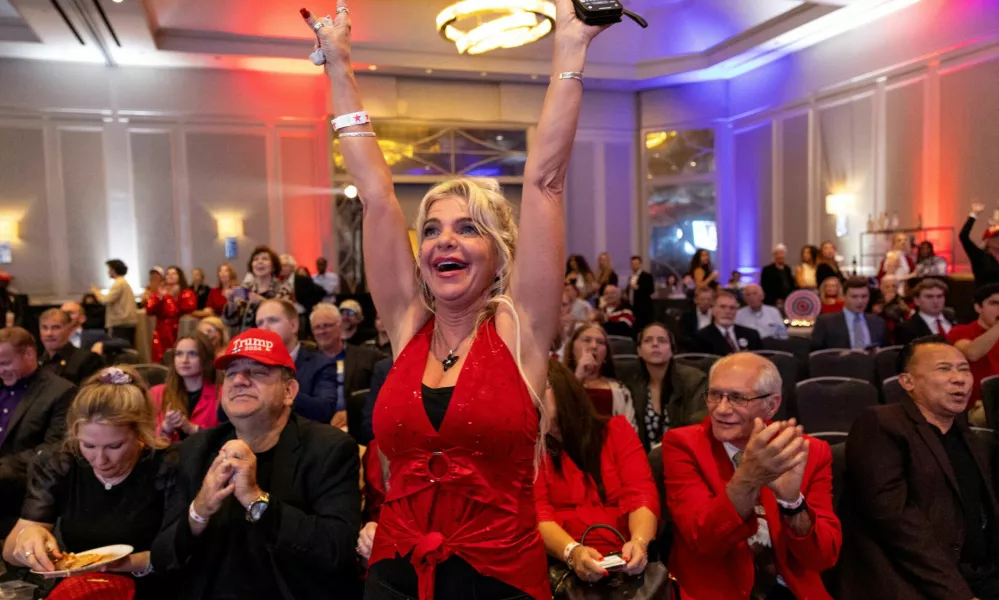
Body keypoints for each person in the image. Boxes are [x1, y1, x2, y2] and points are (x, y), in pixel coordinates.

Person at [303, 0, 603, 596]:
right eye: (434, 228)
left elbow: (544, 181)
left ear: (499, 255)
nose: (445, 239)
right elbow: (375, 194)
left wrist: (571, 45)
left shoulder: (523, 330)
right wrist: (339, 67)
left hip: (500, 581)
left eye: (468, 228)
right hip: (395, 573)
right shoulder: (406, 323)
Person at [152, 328, 361, 598]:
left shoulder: (329, 448)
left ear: (289, 390)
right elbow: (162, 556)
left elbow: (337, 549)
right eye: (231, 373)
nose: (239, 380)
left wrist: (256, 500)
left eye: (258, 372)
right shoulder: (195, 449)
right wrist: (199, 511)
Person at [662, 353, 841, 599]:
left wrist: (792, 504)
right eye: (715, 395)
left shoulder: (808, 452)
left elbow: (823, 557)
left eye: (737, 398)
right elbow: (703, 540)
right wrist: (748, 477)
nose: (721, 409)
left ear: (772, 404)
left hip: (789, 588)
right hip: (715, 589)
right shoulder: (684, 445)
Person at [838, 339, 999, 599]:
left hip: (975, 575)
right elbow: (896, 522)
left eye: (964, 369)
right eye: (944, 369)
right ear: (907, 382)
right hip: (907, 579)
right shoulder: (882, 424)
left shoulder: (970, 437)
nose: (959, 379)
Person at [2, 366, 178, 599]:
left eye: (114, 446)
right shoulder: (63, 462)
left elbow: (182, 553)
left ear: (141, 433)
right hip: (86, 589)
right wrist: (28, 538)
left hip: (155, 588)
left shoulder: (167, 466)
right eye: (88, 445)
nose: (100, 459)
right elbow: (10, 551)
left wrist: (112, 565)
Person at [535, 360, 658, 583]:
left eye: (539, 388)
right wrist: (572, 552)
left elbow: (641, 494)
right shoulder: (530, 447)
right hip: (560, 564)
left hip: (624, 556)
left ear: (563, 389)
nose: (531, 399)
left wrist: (640, 542)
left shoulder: (616, 431)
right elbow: (538, 512)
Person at [0, 327, 77, 535]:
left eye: (5, 363)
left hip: (24, 489)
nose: (0, 370)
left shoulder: (61, 391)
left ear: (29, 354)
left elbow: (52, 450)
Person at [255, 299, 339, 425]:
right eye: (259, 323)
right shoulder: (251, 364)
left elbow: (324, 410)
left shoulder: (321, 364)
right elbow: (223, 414)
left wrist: (280, 391)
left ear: (294, 326)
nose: (264, 328)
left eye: (273, 320)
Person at [625, 323, 707, 450]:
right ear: (639, 351)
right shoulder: (632, 384)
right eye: (648, 340)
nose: (655, 344)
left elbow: (697, 426)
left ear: (672, 350)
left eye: (662, 340)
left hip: (683, 456)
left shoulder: (694, 380)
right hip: (643, 460)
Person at [309, 302, 384, 433]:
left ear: (340, 326)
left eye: (327, 325)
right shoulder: (307, 364)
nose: (321, 331)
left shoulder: (369, 357)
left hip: (361, 428)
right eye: (317, 327)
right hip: (320, 429)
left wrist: (350, 413)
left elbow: (380, 394)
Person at [565, 323, 637, 429]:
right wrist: (578, 378)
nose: (594, 346)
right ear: (572, 347)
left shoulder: (620, 390)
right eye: (587, 340)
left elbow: (630, 429)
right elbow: (556, 418)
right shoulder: (557, 383)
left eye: (600, 342)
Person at [149, 334, 220, 442]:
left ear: (205, 358)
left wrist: (192, 429)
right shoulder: (156, 393)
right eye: (179, 354)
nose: (184, 360)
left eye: (192, 354)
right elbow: (144, 438)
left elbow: (224, 438)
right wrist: (165, 428)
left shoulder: (220, 394)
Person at [947, 284, 999, 422]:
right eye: (994, 303)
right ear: (978, 307)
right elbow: (972, 353)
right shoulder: (961, 331)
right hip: (976, 406)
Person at [223, 245, 291, 333]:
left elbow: (285, 315)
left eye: (265, 259)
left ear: (273, 266)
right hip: (248, 339)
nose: (260, 262)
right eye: (256, 259)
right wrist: (231, 301)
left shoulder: (283, 288)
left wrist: (262, 302)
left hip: (273, 337)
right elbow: (232, 321)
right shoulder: (246, 288)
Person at [811, 276, 885, 350]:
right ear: (844, 297)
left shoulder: (878, 323)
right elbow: (816, 355)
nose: (860, 301)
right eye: (854, 297)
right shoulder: (825, 323)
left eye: (864, 296)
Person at [146, 266, 198, 364]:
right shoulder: (160, 291)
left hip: (180, 330)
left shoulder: (186, 292)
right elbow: (149, 310)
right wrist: (160, 297)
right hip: (162, 332)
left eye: (173, 273)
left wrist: (174, 297)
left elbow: (189, 308)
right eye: (168, 273)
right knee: (161, 360)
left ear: (179, 276)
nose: (170, 276)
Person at [37, 308, 102, 385]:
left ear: (69, 330)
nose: (49, 333)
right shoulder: (37, 361)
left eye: (55, 327)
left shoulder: (87, 359)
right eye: (44, 328)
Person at [695, 290, 763, 355]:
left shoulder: (752, 335)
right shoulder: (700, 338)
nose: (728, 312)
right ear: (713, 310)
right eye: (722, 307)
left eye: (732, 308)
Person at [92, 259, 139, 345]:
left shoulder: (119, 283)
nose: (108, 272)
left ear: (113, 270)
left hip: (121, 323)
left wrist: (96, 292)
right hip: (126, 322)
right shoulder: (123, 282)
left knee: (119, 347)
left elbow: (106, 299)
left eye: (109, 269)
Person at [894, 278, 952, 346]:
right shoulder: (906, 328)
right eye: (929, 297)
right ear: (917, 301)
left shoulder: (954, 321)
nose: (936, 301)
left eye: (939, 296)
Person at [960, 202, 999, 286]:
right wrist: (973, 214)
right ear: (987, 240)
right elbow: (963, 236)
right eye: (995, 236)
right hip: (984, 296)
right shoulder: (979, 256)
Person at [626, 256, 655, 330]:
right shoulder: (630, 277)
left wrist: (638, 288)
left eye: (636, 264)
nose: (634, 266)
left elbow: (651, 290)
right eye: (632, 264)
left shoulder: (647, 276)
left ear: (640, 264)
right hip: (632, 306)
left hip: (643, 307)